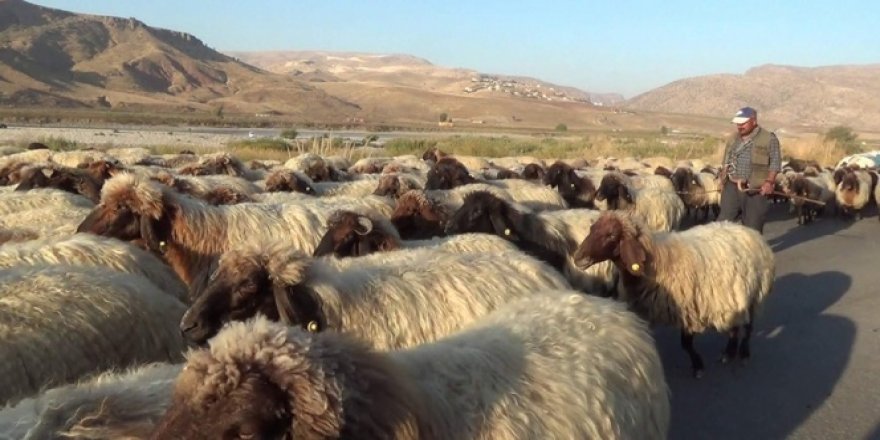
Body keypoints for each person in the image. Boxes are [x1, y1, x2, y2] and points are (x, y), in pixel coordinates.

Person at [717, 106, 782, 234]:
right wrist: (722, 178)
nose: (740, 126)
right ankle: (722, 252)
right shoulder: (733, 139)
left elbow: (775, 162)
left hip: (755, 189)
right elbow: (726, 159)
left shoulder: (769, 139)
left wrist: (769, 182)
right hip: (732, 186)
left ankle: (753, 253)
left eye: (743, 123)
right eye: (737, 124)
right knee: (722, 224)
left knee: (753, 228)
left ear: (754, 121)